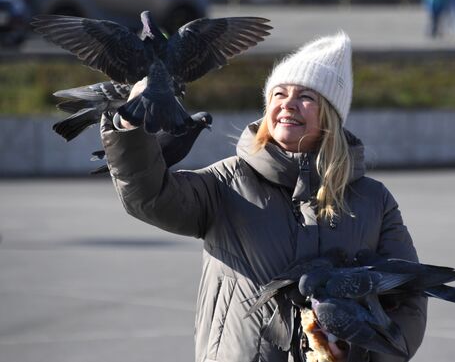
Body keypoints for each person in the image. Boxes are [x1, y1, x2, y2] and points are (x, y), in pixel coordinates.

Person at [100, 32, 427, 362]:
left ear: (330, 115)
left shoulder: (373, 200)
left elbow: (410, 297)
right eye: (279, 94)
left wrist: (367, 355)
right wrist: (129, 126)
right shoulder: (226, 183)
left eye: (306, 97)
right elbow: (149, 197)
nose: (288, 103)